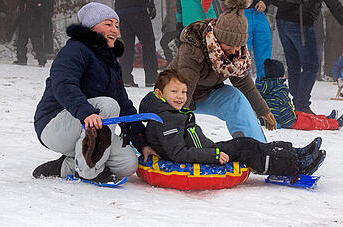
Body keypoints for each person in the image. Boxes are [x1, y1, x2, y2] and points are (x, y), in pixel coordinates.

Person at [31, 2, 155, 184]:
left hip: (88, 126)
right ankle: (87, 171)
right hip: (55, 124)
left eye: (116, 25)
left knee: (128, 164)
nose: (114, 29)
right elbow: (63, 84)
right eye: (108, 24)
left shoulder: (111, 62)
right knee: (108, 105)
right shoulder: (75, 50)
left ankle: (66, 166)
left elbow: (124, 105)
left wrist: (141, 143)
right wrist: (86, 112)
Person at [138, 69, 325, 183]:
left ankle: (295, 153)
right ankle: (296, 166)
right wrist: (214, 154)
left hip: (207, 149)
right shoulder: (165, 120)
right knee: (248, 151)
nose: (180, 97)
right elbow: (178, 153)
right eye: (174, 91)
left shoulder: (171, 113)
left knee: (247, 142)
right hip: (206, 153)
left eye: (184, 92)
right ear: (159, 93)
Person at [168, 0, 275, 142]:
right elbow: (185, 85)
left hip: (206, 93)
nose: (233, 51)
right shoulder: (194, 48)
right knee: (176, 118)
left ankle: (256, 149)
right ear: (217, 38)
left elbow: (243, 81)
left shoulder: (237, 54)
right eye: (229, 45)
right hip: (177, 95)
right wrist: (176, 123)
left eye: (237, 46)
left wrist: (263, 110)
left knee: (236, 99)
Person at [212, 0, 274, 79]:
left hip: (259, 15)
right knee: (242, 52)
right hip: (240, 15)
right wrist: (236, 0)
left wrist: (265, 1)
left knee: (264, 49)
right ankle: (244, 85)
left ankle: (264, 85)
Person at [257, 59, 343, 130]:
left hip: (289, 115)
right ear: (279, 75)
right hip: (289, 121)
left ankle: (327, 118)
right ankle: (335, 124)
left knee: (306, 115)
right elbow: (273, 109)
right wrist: (274, 123)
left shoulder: (268, 86)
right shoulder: (277, 91)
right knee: (313, 123)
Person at [13, 0, 46, 66]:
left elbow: (40, 11)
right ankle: (21, 59)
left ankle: (42, 61)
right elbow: (21, 13)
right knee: (21, 43)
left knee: (37, 44)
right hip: (24, 25)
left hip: (34, 26)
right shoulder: (22, 0)